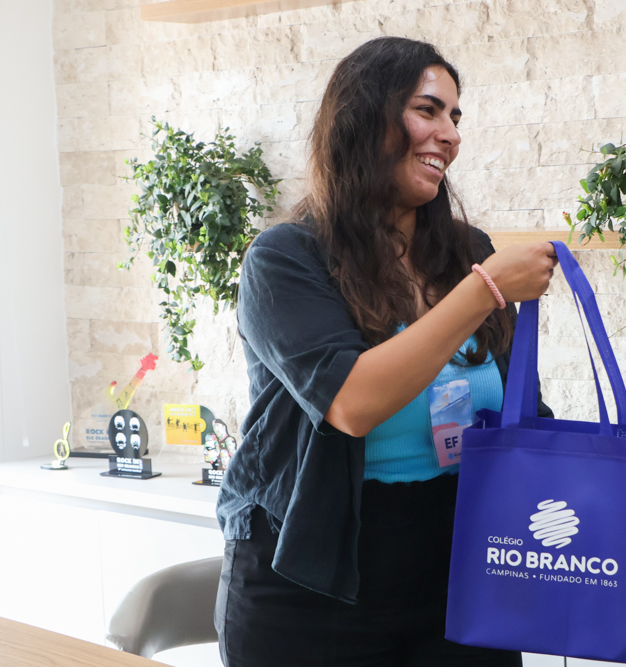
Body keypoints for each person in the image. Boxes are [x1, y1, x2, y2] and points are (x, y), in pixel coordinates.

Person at [213, 37, 557, 667]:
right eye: (428, 110)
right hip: (311, 587)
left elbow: (519, 404)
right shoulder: (285, 259)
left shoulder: (467, 251)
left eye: (455, 116)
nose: (449, 134)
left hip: (456, 571)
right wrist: (483, 291)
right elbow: (353, 402)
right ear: (364, 118)